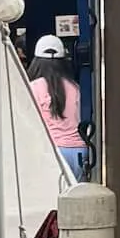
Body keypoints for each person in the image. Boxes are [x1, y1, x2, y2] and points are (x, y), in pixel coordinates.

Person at [28, 34, 88, 178]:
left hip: (51, 151)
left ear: (37, 61)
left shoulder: (33, 88)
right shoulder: (75, 87)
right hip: (79, 151)